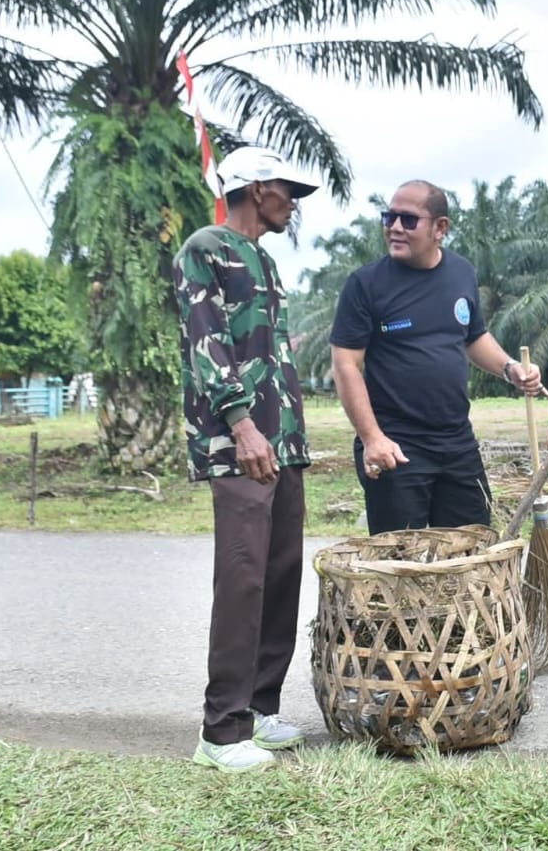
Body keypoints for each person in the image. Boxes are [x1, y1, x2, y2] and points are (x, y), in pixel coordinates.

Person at [173, 145, 318, 773]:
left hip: (281, 441)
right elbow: (205, 341)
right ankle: (222, 730)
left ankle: (259, 709)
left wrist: (286, 436)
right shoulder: (204, 248)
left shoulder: (264, 258)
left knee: (281, 574)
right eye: (289, 190)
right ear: (258, 188)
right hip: (240, 444)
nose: (294, 203)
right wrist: (242, 425)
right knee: (242, 579)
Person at [329, 179, 541, 534]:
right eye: (390, 218)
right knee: (400, 556)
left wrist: (510, 368)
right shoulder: (365, 284)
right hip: (396, 446)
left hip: (457, 442)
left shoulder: (461, 273)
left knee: (471, 547)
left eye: (408, 220)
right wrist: (372, 438)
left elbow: (473, 336)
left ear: (440, 228)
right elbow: (346, 364)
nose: (395, 227)